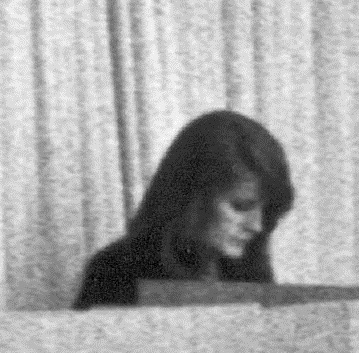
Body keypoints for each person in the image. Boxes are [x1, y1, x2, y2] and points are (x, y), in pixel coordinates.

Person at [74, 108, 296, 307]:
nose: (257, 225)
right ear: (191, 196)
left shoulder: (250, 269)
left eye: (265, 210)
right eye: (240, 206)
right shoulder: (114, 270)